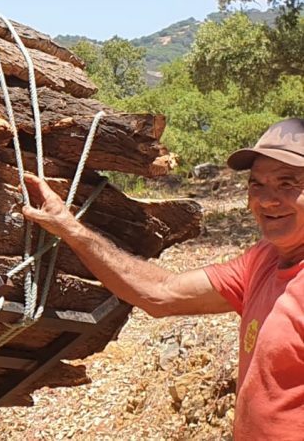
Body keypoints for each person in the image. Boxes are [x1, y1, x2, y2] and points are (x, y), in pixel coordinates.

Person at [22, 117, 304, 440]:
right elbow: (160, 292)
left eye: (287, 183)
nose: (267, 200)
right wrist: (70, 229)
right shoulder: (263, 260)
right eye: (258, 184)